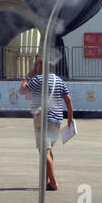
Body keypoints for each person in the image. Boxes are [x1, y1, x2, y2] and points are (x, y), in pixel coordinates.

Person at [20, 55, 74, 190]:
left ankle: (54, 183)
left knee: (44, 151)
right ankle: (47, 181)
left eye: (36, 64)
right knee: (48, 151)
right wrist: (70, 118)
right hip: (56, 119)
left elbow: (22, 90)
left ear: (40, 66)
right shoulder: (58, 80)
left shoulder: (38, 79)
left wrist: (27, 76)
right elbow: (68, 99)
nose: (34, 66)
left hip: (42, 119)